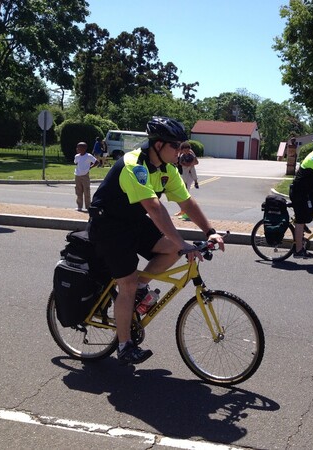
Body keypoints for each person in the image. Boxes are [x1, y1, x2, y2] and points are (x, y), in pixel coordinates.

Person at [87, 116, 224, 365]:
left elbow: (186, 202)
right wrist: (184, 242)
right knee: (126, 283)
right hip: (110, 227)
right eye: (175, 146)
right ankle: (124, 344)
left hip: (134, 223)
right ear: (158, 145)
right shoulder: (134, 165)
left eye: (182, 146)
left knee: (172, 249)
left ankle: (140, 288)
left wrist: (209, 231)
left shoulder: (166, 169)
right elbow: (154, 207)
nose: (180, 152)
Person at [175, 142, 199, 219]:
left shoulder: (191, 154)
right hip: (182, 174)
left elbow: (196, 162)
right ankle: (183, 211)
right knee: (183, 194)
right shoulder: (180, 155)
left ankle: (186, 212)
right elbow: (178, 163)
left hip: (189, 176)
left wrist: (190, 163)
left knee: (185, 194)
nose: (186, 151)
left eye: (187, 149)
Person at [73, 142, 99, 211]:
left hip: (85, 176)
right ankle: (79, 206)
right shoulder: (77, 156)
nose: (77, 149)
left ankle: (88, 207)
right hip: (77, 175)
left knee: (86, 191)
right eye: (77, 147)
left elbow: (96, 162)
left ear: (84, 148)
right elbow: (76, 163)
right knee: (78, 191)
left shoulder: (88, 156)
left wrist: (90, 167)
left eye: (79, 147)